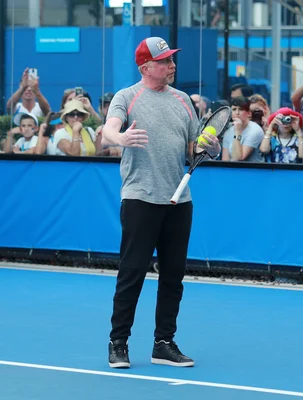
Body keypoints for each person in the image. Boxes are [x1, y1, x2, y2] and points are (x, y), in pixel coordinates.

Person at [101, 37, 221, 369]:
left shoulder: (183, 100)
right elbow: (108, 129)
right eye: (165, 60)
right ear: (146, 67)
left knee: (173, 276)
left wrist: (208, 147)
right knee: (132, 273)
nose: (172, 65)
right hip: (141, 197)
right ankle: (118, 343)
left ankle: (163, 343)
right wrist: (121, 138)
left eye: (171, 59)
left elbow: (196, 146)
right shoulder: (126, 97)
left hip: (179, 201)